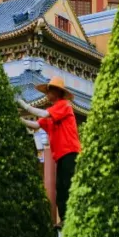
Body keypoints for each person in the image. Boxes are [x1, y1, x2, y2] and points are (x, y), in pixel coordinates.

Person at [17, 76, 81, 228]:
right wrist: (19, 119)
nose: (47, 94)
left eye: (49, 91)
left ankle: (70, 218)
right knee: (60, 187)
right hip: (61, 155)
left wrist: (24, 105)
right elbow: (35, 125)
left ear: (57, 92)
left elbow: (42, 115)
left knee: (67, 185)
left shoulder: (64, 105)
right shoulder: (52, 112)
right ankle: (65, 218)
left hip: (70, 151)